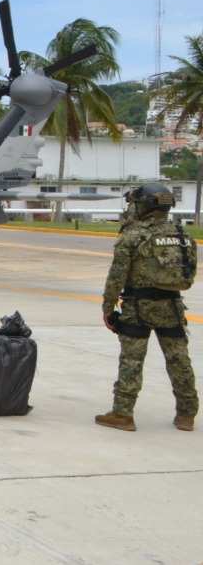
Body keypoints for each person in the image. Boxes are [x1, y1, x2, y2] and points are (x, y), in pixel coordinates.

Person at [96, 183, 197, 432]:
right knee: (179, 360)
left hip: (137, 308)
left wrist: (108, 308)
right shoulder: (182, 235)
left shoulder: (132, 236)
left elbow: (116, 277)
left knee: (131, 361)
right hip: (172, 307)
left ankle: (123, 414)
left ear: (144, 205)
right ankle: (186, 415)